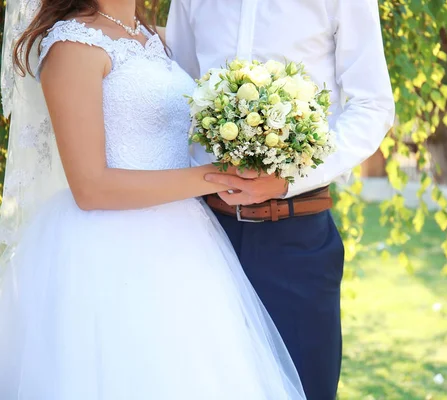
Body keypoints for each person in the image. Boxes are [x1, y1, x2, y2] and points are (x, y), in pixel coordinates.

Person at [0, 0, 305, 398]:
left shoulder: (155, 37)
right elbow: (91, 187)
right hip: (109, 254)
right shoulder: (72, 45)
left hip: (186, 247)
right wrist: (212, 179)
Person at [166, 1, 395, 398]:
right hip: (201, 239)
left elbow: (372, 106)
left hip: (297, 239)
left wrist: (289, 177)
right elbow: (177, 95)